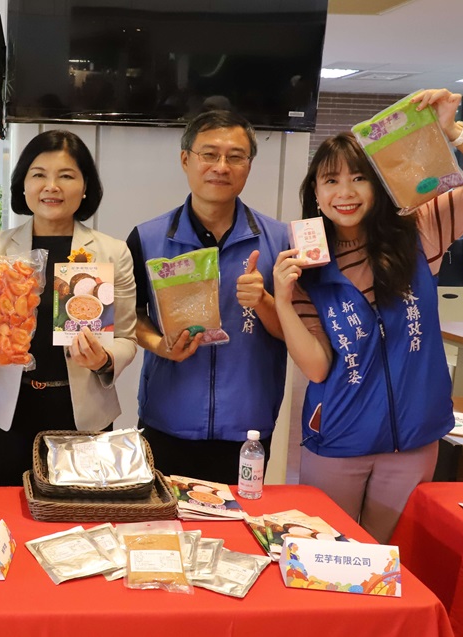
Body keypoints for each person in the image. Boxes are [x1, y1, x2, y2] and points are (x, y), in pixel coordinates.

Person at [272, 89, 463, 543]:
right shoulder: (307, 263)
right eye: (331, 180)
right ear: (315, 191)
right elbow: (316, 367)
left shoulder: (421, 230)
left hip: (413, 438)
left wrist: (453, 131)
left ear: (379, 184)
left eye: (359, 178)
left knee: (394, 558)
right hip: (340, 438)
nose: (345, 192)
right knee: (329, 555)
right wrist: (281, 297)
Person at [126, 109, 288, 484]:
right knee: (161, 518)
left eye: (235, 156)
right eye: (209, 154)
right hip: (166, 418)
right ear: (186, 159)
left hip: (247, 427)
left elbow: (299, 333)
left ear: (249, 166)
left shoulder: (280, 241)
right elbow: (129, 314)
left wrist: (264, 301)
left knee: (240, 518)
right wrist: (158, 344)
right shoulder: (147, 238)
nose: (221, 167)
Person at [0, 130, 138, 486]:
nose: (51, 187)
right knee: (9, 506)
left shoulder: (111, 251)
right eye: (39, 174)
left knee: (78, 510)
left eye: (66, 176)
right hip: (7, 412)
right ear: (23, 184)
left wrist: (104, 360)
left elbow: (126, 337)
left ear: (85, 186)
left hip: (82, 413)